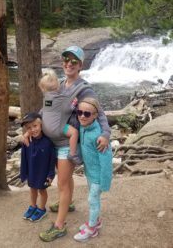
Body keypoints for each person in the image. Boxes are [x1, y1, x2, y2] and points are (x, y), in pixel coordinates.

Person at [23, 45, 110, 242]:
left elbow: (100, 112)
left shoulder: (84, 89)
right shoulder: (59, 84)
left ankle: (59, 226)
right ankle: (68, 203)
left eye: (73, 62)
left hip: (65, 145)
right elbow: (47, 109)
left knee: (62, 184)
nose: (68, 64)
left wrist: (105, 133)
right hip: (51, 143)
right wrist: (30, 129)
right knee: (65, 181)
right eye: (65, 61)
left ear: (80, 65)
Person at [73, 97, 112, 242]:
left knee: (92, 200)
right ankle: (96, 221)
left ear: (96, 115)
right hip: (89, 173)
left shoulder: (99, 136)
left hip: (99, 176)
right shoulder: (82, 127)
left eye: (87, 114)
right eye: (80, 112)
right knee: (93, 198)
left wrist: (105, 182)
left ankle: (91, 229)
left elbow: (107, 161)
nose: (82, 116)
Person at [38, 68, 82, 165]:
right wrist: (74, 102)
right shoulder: (62, 99)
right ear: (58, 86)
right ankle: (72, 154)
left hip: (46, 130)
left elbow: (43, 112)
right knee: (74, 132)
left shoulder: (46, 100)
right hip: (58, 130)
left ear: (42, 88)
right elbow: (68, 109)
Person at [20, 112, 56, 222]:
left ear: (41, 125)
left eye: (35, 126)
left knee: (42, 190)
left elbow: (52, 159)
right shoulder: (27, 141)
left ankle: (41, 209)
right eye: (29, 128)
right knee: (32, 189)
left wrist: (51, 174)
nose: (33, 129)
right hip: (32, 171)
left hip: (43, 172)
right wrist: (24, 173)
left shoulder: (48, 142)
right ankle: (33, 206)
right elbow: (24, 158)